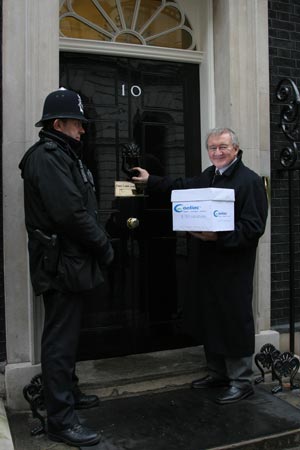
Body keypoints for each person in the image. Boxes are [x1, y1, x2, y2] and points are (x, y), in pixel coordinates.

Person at [132, 127, 268, 405]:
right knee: (210, 317)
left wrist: (220, 236)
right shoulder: (209, 176)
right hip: (207, 263)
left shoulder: (249, 181)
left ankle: (242, 381)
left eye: (223, 147)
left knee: (233, 319)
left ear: (236, 149)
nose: (217, 152)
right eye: (212, 147)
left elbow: (254, 228)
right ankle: (218, 373)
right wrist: (152, 180)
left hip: (232, 267)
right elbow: (182, 186)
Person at [19, 88, 114, 446]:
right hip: (60, 265)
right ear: (58, 124)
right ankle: (60, 419)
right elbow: (70, 213)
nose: (83, 131)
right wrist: (104, 245)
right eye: (78, 124)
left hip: (70, 262)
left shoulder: (63, 154)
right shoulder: (47, 157)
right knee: (59, 340)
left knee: (67, 335)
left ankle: (68, 394)